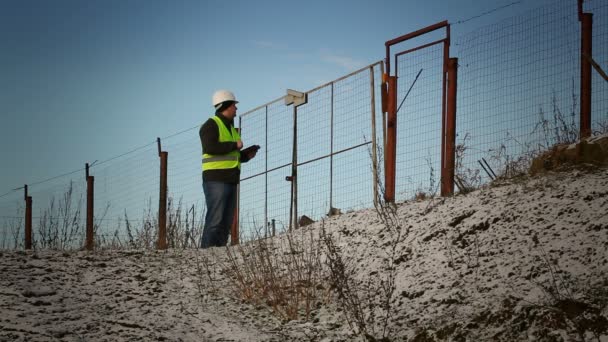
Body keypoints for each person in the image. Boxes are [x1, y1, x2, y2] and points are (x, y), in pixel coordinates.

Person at [199, 90, 258, 248]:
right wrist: (235, 145)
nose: (236, 109)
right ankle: (206, 253)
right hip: (216, 180)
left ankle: (218, 253)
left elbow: (231, 155)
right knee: (216, 220)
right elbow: (210, 147)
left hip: (231, 179)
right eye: (234, 105)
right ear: (226, 106)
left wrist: (245, 156)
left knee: (225, 221)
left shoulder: (231, 128)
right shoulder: (210, 125)